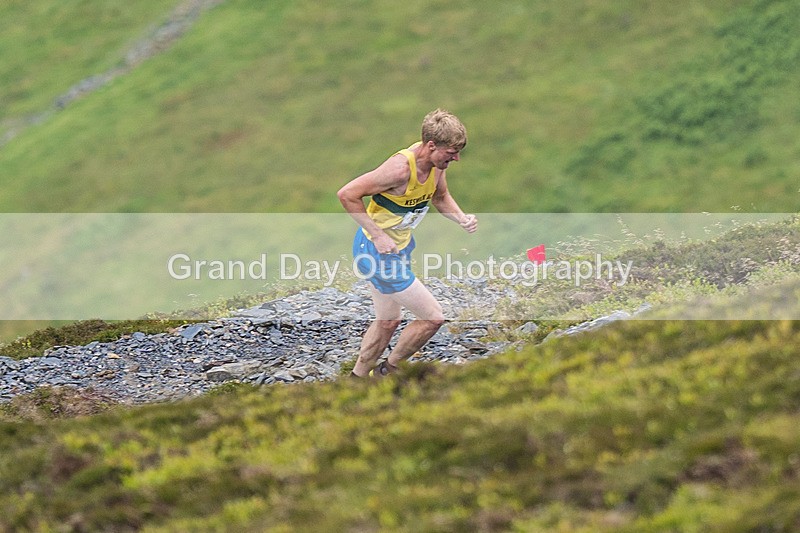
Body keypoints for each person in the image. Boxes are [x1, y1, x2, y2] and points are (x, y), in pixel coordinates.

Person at [337, 109, 478, 378]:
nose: (456, 158)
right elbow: (347, 194)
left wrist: (460, 218)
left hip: (398, 248)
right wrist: (378, 235)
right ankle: (389, 371)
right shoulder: (399, 170)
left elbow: (440, 196)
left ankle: (355, 379)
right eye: (451, 153)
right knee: (432, 317)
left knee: (388, 321)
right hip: (376, 251)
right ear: (431, 145)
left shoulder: (436, 166)